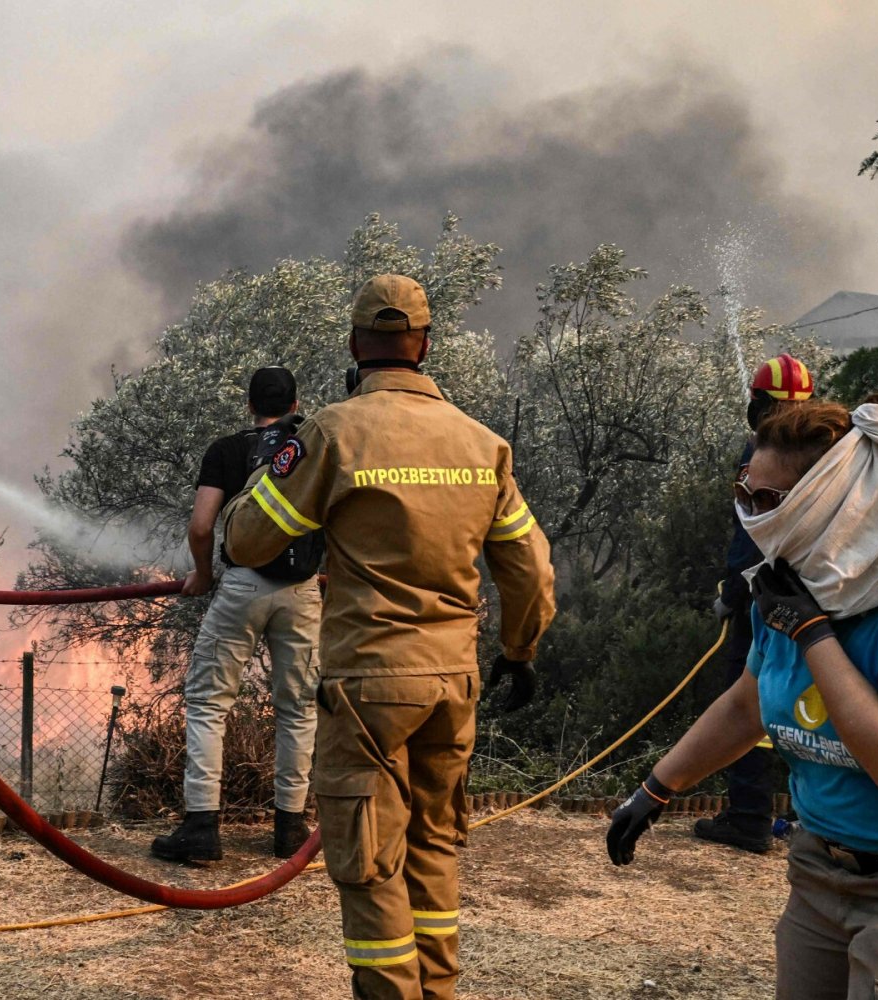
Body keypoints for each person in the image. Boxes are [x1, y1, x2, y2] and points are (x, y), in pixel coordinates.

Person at [224, 275, 556, 1000]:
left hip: (369, 684)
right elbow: (530, 570)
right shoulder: (483, 444)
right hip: (453, 682)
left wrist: (277, 462)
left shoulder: (334, 433)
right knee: (434, 847)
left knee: (370, 860)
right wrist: (520, 651)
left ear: (354, 345)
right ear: (426, 346)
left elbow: (247, 540)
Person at [607, 399, 878, 999]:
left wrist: (813, 634)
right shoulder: (796, 580)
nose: (753, 515)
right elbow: (747, 703)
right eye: (744, 494)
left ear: (834, 499)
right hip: (819, 873)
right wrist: (656, 789)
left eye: (770, 500)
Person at [152, 366, 325, 862]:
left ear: (250, 405)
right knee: (298, 709)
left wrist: (204, 575)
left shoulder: (226, 451)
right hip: (302, 590)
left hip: (243, 585)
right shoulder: (314, 448)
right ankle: (290, 828)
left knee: (209, 704)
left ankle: (201, 828)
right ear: (296, 404)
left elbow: (201, 527)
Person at [699, 354, 815, 854]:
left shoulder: (761, 455)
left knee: (746, 701)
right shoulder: (831, 451)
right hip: (821, 602)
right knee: (812, 704)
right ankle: (810, 816)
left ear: (758, 404)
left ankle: (748, 817)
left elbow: (750, 537)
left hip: (763, 600)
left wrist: (730, 595)